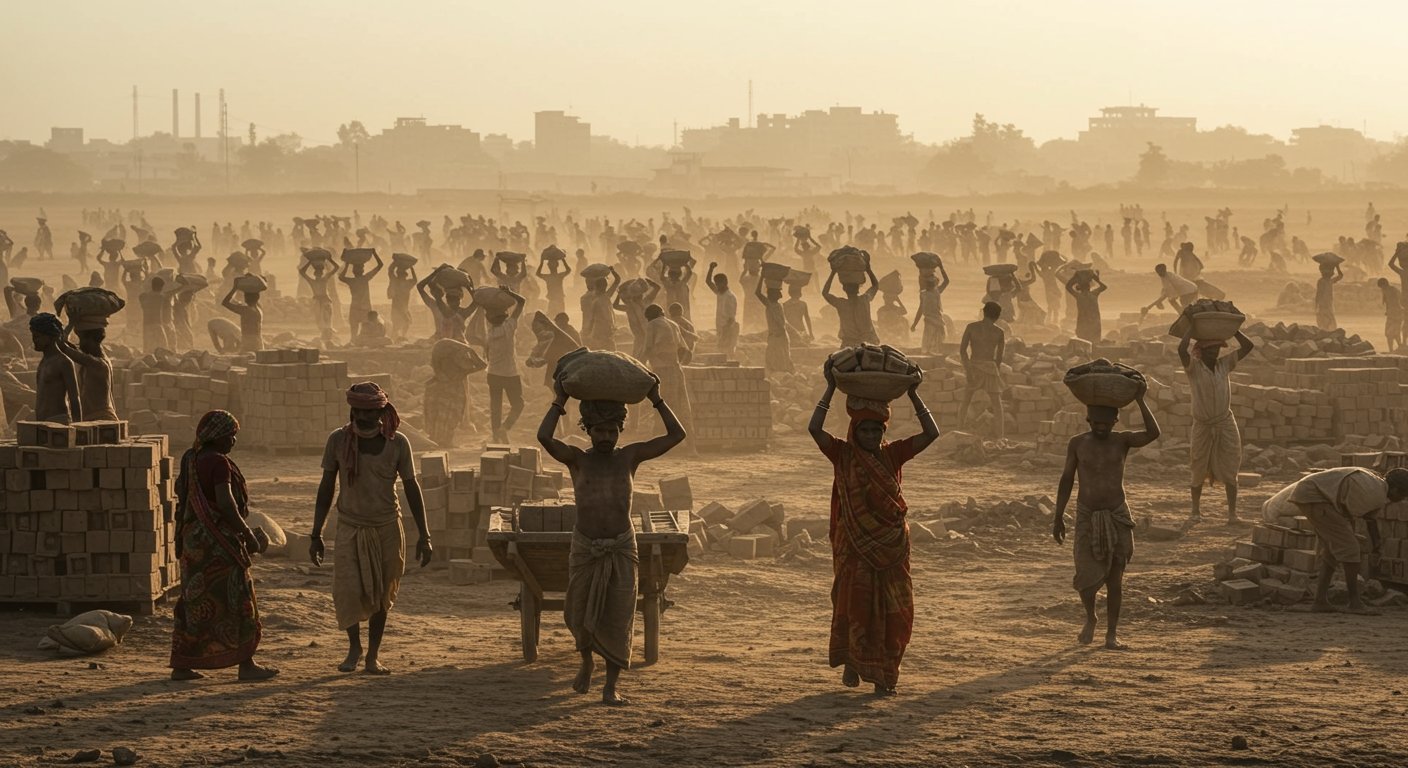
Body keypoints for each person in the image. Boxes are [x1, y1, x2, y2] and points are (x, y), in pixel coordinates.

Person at [537, 375, 687, 705]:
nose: (605, 437)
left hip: (621, 545)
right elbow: (543, 436)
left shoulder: (629, 457)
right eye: (599, 431)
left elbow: (677, 435)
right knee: (580, 612)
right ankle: (587, 663)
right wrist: (559, 399)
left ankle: (611, 686)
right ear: (587, 430)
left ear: (620, 431)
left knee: (619, 616)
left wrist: (656, 398)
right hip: (586, 546)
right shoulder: (577, 458)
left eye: (612, 430)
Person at [808, 363, 939, 695]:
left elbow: (931, 434)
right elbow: (815, 430)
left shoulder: (893, 455)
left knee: (896, 610)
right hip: (855, 545)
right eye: (864, 431)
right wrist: (829, 389)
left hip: (892, 545)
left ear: (883, 433)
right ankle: (854, 662)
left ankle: (885, 674)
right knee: (855, 603)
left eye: (876, 431)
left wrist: (913, 393)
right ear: (855, 431)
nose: (870, 437)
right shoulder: (843, 454)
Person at [311, 383, 431, 675]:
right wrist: (316, 534)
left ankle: (373, 655)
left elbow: (412, 487)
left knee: (381, 592)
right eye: (357, 412)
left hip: (387, 526)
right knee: (348, 589)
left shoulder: (398, 443)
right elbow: (326, 488)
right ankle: (354, 647)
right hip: (350, 525)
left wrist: (425, 535)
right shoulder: (338, 441)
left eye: (368, 412)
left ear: (381, 411)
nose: (362, 418)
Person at [169, 411, 279, 682]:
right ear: (217, 436)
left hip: (194, 543)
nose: (234, 441)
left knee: (194, 601)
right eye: (231, 435)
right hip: (219, 544)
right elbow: (226, 503)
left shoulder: (190, 459)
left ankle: (182, 665)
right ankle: (246, 663)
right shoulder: (218, 463)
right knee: (238, 598)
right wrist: (247, 534)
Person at [1052, 383, 1159, 649]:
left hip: (1117, 514)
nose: (1100, 427)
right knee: (1086, 579)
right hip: (1087, 514)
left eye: (1106, 423)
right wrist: (1058, 515)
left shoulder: (1122, 440)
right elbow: (1067, 479)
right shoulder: (1077, 443)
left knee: (1115, 579)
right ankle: (1091, 617)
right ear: (1088, 419)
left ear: (1115, 421)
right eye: (1095, 422)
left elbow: (1153, 433)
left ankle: (1112, 634)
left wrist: (1140, 400)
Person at [1285, 467, 1408, 614]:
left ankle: (1320, 601)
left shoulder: (1377, 486)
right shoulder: (1375, 494)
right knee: (1351, 549)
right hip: (1316, 497)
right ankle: (1354, 602)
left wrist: (1377, 544)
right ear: (1395, 489)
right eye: (1404, 494)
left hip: (1315, 494)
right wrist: (1352, 538)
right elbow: (1348, 516)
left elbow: (1370, 520)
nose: (1403, 499)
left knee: (1332, 551)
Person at [1179, 330, 1254, 525]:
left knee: (1231, 465)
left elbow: (1248, 346)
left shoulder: (1224, 365)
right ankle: (1195, 512)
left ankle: (1232, 515)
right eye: (1209, 350)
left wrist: (1234, 330)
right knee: (1198, 465)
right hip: (1203, 424)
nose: (1214, 353)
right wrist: (1190, 329)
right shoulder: (1193, 368)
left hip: (1225, 422)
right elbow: (1181, 349)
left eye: (1216, 349)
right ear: (1200, 352)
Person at [477, 288, 527, 443]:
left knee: (495, 408)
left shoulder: (490, 333)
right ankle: (504, 428)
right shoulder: (509, 327)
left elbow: (487, 313)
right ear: (504, 316)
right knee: (518, 404)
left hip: (493, 374)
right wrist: (509, 291)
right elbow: (522, 302)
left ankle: (495, 437)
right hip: (511, 373)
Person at [425, 339, 485, 448]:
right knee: (444, 417)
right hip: (448, 389)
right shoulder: (455, 367)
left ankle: (443, 441)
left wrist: (469, 350)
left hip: (450, 388)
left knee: (447, 417)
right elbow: (482, 365)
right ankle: (441, 441)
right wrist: (470, 350)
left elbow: (482, 365)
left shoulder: (450, 365)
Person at [958, 302, 1006, 439]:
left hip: (974, 367)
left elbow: (962, 351)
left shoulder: (971, 327)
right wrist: (994, 368)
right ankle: (1000, 436)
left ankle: (959, 430)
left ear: (984, 312)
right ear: (997, 316)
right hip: (990, 368)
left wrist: (968, 371)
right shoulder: (999, 332)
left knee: (966, 400)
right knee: (997, 404)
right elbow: (999, 357)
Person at [57, 326, 119, 421]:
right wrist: (72, 323)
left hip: (102, 419)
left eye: (82, 339)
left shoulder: (99, 364)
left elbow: (63, 347)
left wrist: (71, 324)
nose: (80, 344)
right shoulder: (90, 360)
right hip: (91, 419)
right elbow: (64, 344)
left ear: (91, 339)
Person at [30, 313, 82, 423]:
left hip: (59, 422)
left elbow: (74, 399)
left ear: (50, 337)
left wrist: (78, 429)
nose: (34, 340)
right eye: (33, 336)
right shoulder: (43, 362)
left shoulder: (63, 362)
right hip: (42, 422)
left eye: (37, 336)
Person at [822, 266, 881, 348]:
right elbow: (875, 285)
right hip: (868, 342)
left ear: (844, 289)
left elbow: (825, 293)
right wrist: (868, 269)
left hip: (849, 344)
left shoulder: (841, 304)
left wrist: (833, 273)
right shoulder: (865, 299)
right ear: (858, 288)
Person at [340, 250, 384, 341]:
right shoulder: (365, 278)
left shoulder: (353, 281)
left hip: (357, 308)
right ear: (362, 270)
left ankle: (356, 342)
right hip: (363, 307)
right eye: (358, 268)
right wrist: (374, 253)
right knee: (361, 331)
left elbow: (341, 277)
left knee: (358, 331)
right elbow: (380, 265)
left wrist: (347, 263)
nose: (358, 270)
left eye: (358, 268)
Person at [756, 274, 795, 374]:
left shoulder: (778, 306)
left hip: (780, 336)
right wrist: (761, 277)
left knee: (782, 359)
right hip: (775, 336)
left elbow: (783, 323)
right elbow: (757, 293)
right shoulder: (770, 305)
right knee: (774, 359)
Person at [580, 266, 621, 351]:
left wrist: (587, 331)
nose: (605, 287)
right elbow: (617, 280)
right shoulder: (604, 296)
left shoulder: (589, 298)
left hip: (600, 330)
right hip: (603, 330)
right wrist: (612, 271)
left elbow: (588, 317)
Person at [912, 266, 950, 353]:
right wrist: (914, 324)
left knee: (933, 344)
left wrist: (941, 268)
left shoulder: (935, 292)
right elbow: (920, 310)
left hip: (936, 321)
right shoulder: (925, 294)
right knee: (932, 344)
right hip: (931, 321)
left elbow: (947, 281)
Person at [705, 262, 739, 359]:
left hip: (728, 329)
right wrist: (711, 268)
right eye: (716, 284)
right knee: (722, 353)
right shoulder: (720, 293)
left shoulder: (730, 297)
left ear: (724, 283)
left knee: (728, 353)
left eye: (718, 284)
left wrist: (725, 332)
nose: (717, 286)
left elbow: (731, 318)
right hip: (721, 328)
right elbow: (708, 282)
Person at [1066, 270, 1107, 344]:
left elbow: (1068, 287)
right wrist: (1097, 279)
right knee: (1094, 342)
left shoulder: (1079, 296)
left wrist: (1075, 279)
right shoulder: (1094, 294)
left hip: (1083, 322)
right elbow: (1104, 287)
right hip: (1094, 322)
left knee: (1083, 342)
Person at [220, 285, 263, 352]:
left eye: (245, 296)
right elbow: (235, 302)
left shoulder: (246, 310)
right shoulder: (258, 308)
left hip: (248, 342)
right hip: (258, 341)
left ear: (246, 298)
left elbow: (225, 302)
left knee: (244, 361)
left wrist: (235, 288)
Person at [387, 257, 418, 342]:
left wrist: (394, 263)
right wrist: (412, 268)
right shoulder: (406, 283)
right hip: (401, 307)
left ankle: (399, 337)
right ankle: (399, 337)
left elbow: (390, 271)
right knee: (403, 323)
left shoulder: (396, 281)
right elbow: (415, 280)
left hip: (399, 307)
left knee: (400, 323)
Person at [139, 277, 172, 352]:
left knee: (148, 349)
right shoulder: (161, 297)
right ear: (160, 287)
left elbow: (142, 297)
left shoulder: (144, 297)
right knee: (163, 348)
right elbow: (169, 294)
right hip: (157, 324)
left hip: (146, 324)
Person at [783, 279, 814, 346]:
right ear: (799, 293)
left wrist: (811, 333)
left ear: (790, 292)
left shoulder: (785, 304)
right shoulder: (803, 304)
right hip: (800, 330)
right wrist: (811, 333)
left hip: (792, 331)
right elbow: (807, 319)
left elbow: (783, 321)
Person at [1315, 260, 1343, 331]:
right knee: (1326, 320)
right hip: (1324, 304)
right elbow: (1319, 293)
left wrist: (1337, 266)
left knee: (1327, 320)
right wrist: (1337, 266)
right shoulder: (1324, 281)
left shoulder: (1329, 281)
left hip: (1327, 304)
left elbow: (1340, 276)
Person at [1377, 278, 1404, 352]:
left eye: (1382, 286)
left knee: (1393, 333)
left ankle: (1399, 347)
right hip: (1391, 315)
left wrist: (1399, 309)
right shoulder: (1385, 291)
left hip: (1397, 314)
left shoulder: (1393, 290)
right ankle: (1393, 349)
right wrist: (1387, 311)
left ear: (1384, 284)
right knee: (1389, 333)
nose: (1382, 289)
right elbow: (1387, 303)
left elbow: (1399, 301)